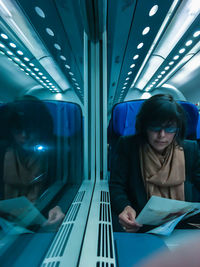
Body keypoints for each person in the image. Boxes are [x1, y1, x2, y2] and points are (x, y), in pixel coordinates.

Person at [109, 94, 200, 232]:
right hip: (141, 227)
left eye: (169, 129)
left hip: (181, 226)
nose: (162, 135)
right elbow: (117, 186)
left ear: (177, 129)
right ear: (144, 126)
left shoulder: (190, 149)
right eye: (155, 127)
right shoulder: (128, 146)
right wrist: (125, 207)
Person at [0, 97, 64, 229]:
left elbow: (62, 189)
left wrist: (58, 206)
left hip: (39, 223)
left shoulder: (55, 154)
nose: (24, 135)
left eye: (30, 129)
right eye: (18, 129)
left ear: (40, 128)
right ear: (10, 129)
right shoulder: (3, 153)